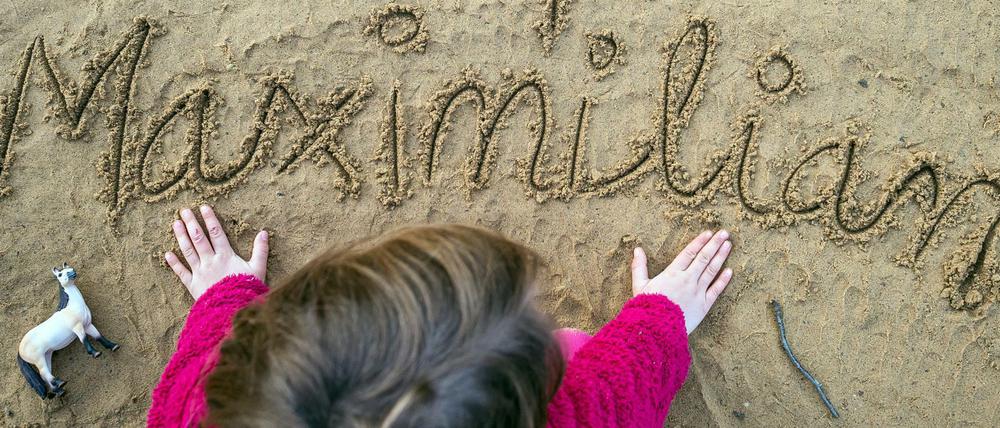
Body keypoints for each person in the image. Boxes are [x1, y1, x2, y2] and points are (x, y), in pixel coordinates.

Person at [147, 205, 733, 427]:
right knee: (578, 354)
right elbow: (613, 398)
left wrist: (224, 299)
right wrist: (662, 317)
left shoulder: (206, 406)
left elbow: (215, 363)